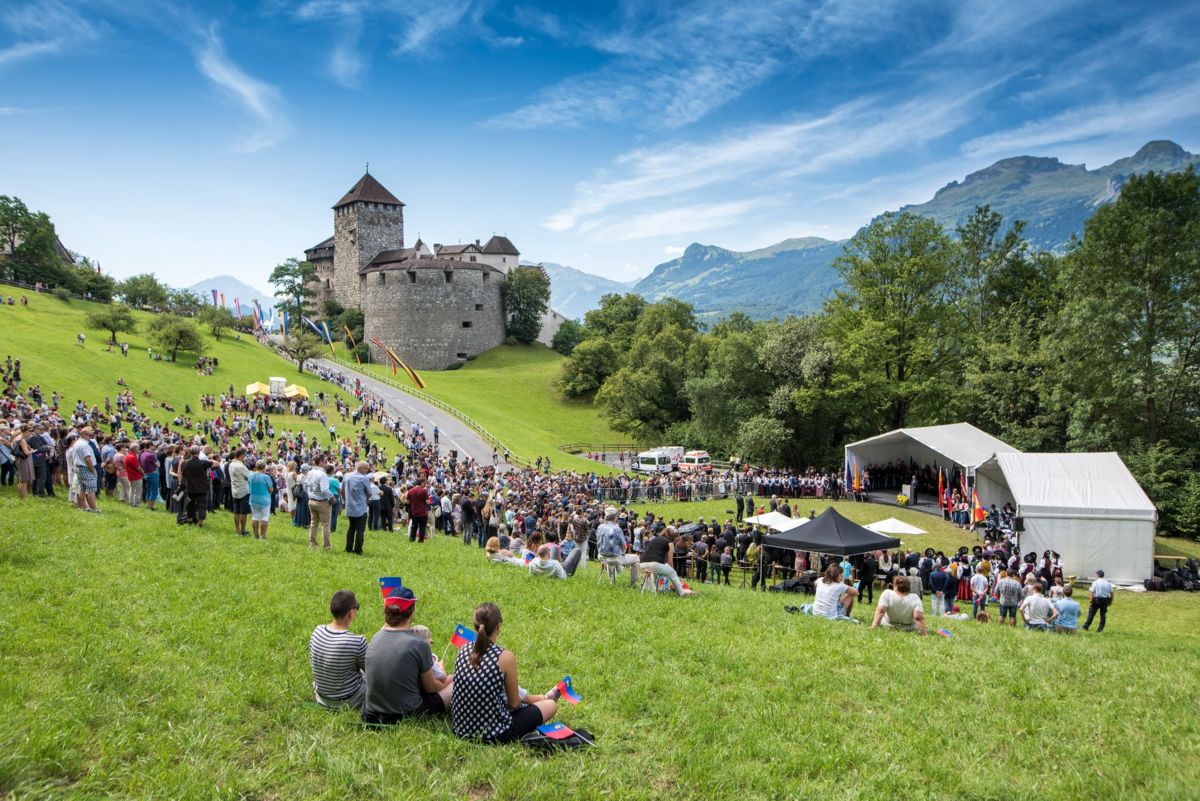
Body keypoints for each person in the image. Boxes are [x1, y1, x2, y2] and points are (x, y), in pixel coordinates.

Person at [450, 603, 559, 743]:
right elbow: (514, 704)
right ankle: (543, 699)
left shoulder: (464, 648)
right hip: (493, 734)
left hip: (460, 728)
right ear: (498, 626)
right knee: (551, 705)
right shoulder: (505, 657)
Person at [361, 587, 454, 724]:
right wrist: (451, 678)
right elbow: (432, 687)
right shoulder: (418, 644)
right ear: (412, 612)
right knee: (459, 684)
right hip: (405, 714)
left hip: (371, 713)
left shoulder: (375, 637)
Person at [309, 590, 367, 709]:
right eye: (357, 607)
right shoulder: (357, 641)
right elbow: (371, 671)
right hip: (349, 700)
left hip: (321, 698)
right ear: (351, 612)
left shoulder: (317, 631)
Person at [639, 526, 691, 596]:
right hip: (655, 564)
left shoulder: (654, 539)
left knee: (656, 572)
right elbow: (670, 561)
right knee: (673, 574)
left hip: (643, 563)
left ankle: (651, 588)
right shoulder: (670, 543)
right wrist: (672, 570)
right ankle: (682, 593)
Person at [597, 507, 640, 586]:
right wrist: (623, 552)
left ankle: (611, 582)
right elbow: (624, 545)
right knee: (636, 558)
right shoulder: (617, 529)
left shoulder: (600, 527)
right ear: (615, 517)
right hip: (614, 557)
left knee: (611, 560)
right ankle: (633, 583)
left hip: (601, 556)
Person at [342, 460, 371, 555]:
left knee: (351, 528)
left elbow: (342, 490)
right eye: (367, 468)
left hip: (349, 506)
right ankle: (358, 550)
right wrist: (365, 501)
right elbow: (369, 493)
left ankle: (348, 548)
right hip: (360, 508)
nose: (368, 470)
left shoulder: (347, 476)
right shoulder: (364, 478)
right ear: (361, 468)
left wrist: (346, 500)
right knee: (360, 530)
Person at [305, 456, 334, 551]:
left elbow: (305, 486)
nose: (326, 463)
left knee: (313, 524)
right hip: (321, 501)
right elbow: (324, 489)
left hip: (311, 500)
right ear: (320, 462)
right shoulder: (322, 474)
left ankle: (312, 545)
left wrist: (310, 494)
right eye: (325, 461)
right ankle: (327, 547)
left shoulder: (309, 472)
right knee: (325, 525)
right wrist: (331, 496)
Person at [68, 426, 99, 512]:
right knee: (91, 490)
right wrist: (93, 469)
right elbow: (88, 459)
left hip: (79, 467)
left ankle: (83, 507)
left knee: (81, 488)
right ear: (83, 434)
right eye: (89, 435)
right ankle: (93, 508)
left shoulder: (77, 443)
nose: (90, 437)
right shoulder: (84, 445)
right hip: (86, 467)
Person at [180, 446, 211, 526]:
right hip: (202, 488)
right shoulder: (203, 463)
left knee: (190, 504)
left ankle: (189, 520)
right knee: (202, 505)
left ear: (190, 452)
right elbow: (216, 463)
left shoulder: (186, 464)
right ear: (199, 452)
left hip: (191, 487)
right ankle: (200, 522)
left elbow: (183, 476)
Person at [247, 460, 273, 539]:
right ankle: (263, 535)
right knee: (265, 517)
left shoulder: (251, 475)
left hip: (253, 498)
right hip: (264, 499)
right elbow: (271, 489)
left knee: (255, 517)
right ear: (264, 467)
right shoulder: (266, 477)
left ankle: (255, 535)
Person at [228, 448, 251, 536]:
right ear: (241, 455)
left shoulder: (231, 464)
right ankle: (242, 530)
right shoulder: (240, 466)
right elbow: (249, 476)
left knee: (236, 511)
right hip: (243, 490)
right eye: (244, 455)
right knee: (243, 512)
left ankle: (237, 529)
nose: (244, 457)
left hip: (235, 489)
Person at [406, 478, 430, 543]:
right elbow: (427, 502)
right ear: (421, 483)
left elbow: (407, 502)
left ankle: (412, 539)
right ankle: (421, 540)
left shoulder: (410, 491)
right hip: (423, 512)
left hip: (414, 511)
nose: (424, 484)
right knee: (422, 527)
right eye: (424, 483)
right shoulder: (424, 491)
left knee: (414, 526)